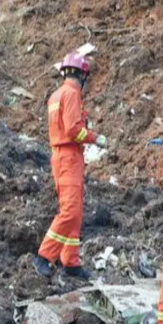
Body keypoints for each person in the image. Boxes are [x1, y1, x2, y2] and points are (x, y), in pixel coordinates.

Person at [33, 52, 108, 280]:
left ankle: (71, 261)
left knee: (74, 212)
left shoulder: (56, 95)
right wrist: (96, 137)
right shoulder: (72, 94)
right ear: (82, 75)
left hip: (61, 157)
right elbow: (73, 130)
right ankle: (44, 257)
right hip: (69, 157)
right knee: (70, 211)